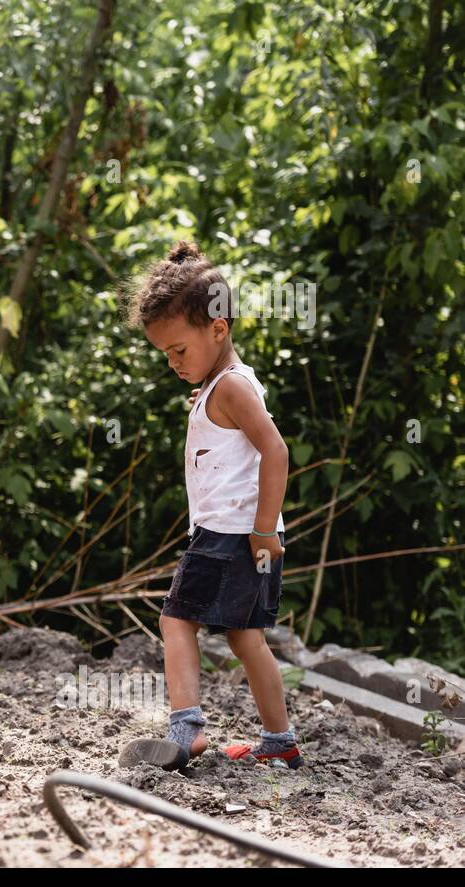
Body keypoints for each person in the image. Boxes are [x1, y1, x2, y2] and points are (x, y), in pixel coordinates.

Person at [118, 240, 303, 771]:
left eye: (179, 350)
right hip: (244, 535)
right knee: (248, 639)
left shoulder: (231, 389)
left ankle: (187, 726)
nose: (173, 363)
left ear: (217, 329)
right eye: (166, 355)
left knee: (176, 621)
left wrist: (264, 530)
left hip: (233, 535)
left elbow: (276, 450)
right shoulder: (221, 385)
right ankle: (279, 740)